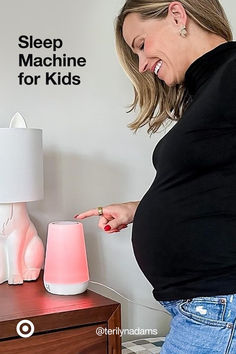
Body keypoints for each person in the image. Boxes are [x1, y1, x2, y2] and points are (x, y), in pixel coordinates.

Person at [74, 1, 236, 352]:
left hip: (221, 308)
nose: (142, 65)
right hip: (206, 310)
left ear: (177, 16)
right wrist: (141, 209)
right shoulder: (209, 90)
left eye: (141, 45)